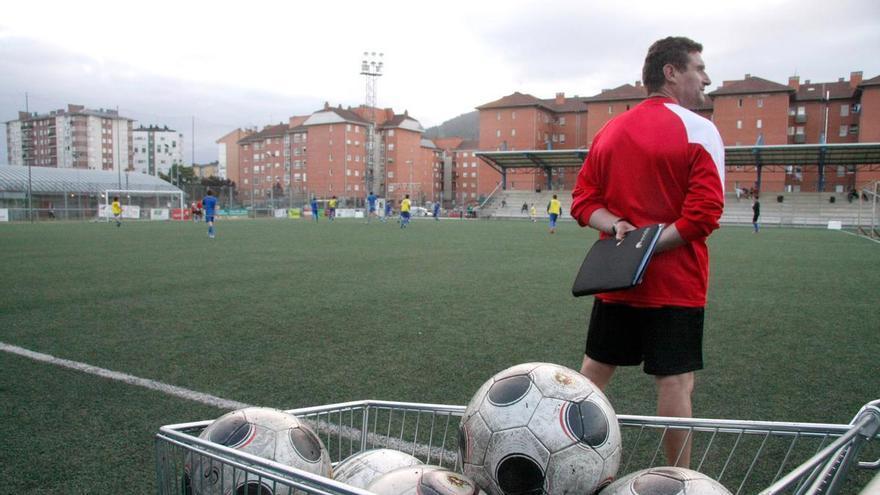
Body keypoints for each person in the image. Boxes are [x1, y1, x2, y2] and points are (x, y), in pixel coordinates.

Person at [570, 36, 725, 468]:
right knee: (675, 382)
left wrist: (619, 230)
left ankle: (564, 463)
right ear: (671, 72)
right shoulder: (700, 129)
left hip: (617, 280)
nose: (706, 77)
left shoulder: (610, 130)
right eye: (698, 67)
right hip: (675, 284)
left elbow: (583, 202)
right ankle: (678, 480)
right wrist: (645, 243)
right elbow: (704, 216)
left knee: (592, 377)